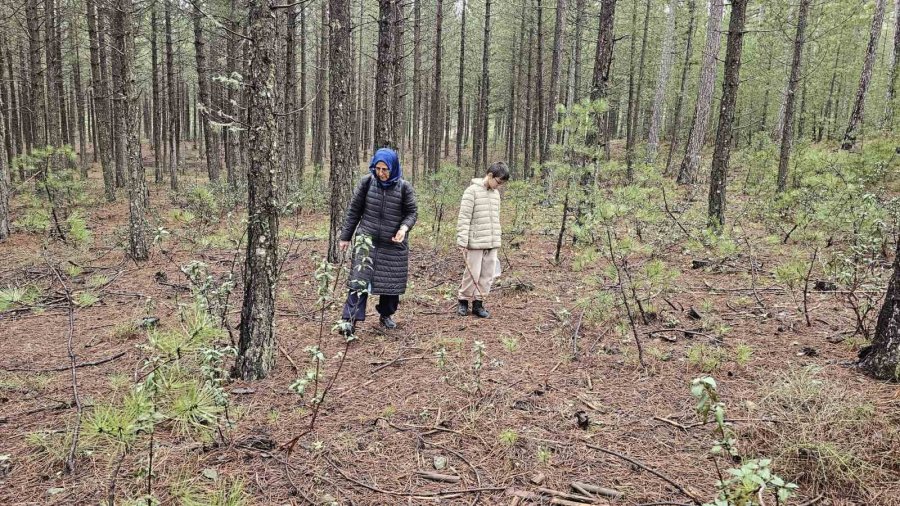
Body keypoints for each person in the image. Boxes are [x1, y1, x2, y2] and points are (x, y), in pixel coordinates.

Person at [338, 148, 418, 334]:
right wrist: (345, 236)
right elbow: (354, 211)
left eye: (385, 169)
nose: (381, 173)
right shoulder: (367, 183)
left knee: (391, 284)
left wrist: (403, 228)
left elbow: (412, 212)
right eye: (377, 168)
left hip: (393, 243)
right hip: (367, 241)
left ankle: (386, 315)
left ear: (393, 168)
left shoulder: (404, 187)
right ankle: (349, 319)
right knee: (359, 280)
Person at [456, 161, 510, 318]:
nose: (498, 186)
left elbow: (495, 218)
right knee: (472, 272)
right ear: (490, 175)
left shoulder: (496, 195)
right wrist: (462, 240)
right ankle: (463, 301)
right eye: (498, 182)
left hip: (492, 241)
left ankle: (478, 304)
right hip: (475, 242)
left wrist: (496, 238)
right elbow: (464, 217)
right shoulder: (471, 191)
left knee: (487, 274)